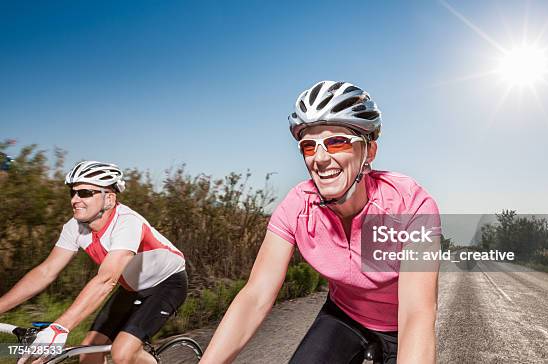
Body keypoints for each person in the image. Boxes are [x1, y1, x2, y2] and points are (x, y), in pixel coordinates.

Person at [200, 81, 441, 364]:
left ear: (369, 152)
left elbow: (417, 313)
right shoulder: (297, 206)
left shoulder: (411, 204)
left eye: (337, 142)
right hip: (343, 316)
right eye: (309, 147)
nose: (322, 159)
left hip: (399, 327)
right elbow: (256, 295)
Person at [0, 161, 187, 364]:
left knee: (122, 353)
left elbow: (106, 280)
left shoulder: (128, 222)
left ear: (109, 198)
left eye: (85, 193)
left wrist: (60, 327)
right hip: (131, 287)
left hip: (167, 284)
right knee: (88, 354)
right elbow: (46, 272)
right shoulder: (74, 227)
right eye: (72, 192)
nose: (75, 199)